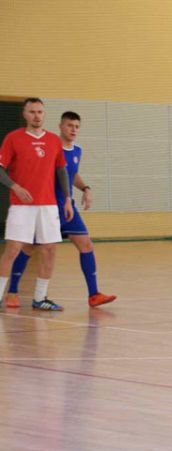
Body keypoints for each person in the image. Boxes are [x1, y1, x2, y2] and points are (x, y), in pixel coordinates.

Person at [5, 111, 116, 309]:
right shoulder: (50, 146)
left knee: (86, 245)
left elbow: (71, 175)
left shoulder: (77, 150)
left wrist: (86, 188)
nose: (73, 130)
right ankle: (12, 292)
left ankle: (94, 294)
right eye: (69, 126)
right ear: (60, 126)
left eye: (77, 127)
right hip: (46, 207)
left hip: (67, 208)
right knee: (27, 248)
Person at [0, 98, 74, 311]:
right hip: (21, 206)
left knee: (49, 250)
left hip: (48, 206)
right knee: (13, 249)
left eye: (40, 112)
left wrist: (68, 199)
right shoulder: (13, 138)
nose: (36, 116)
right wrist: (15, 187)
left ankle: (40, 298)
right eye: (32, 112)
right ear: (24, 114)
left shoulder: (53, 140)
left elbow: (61, 170)